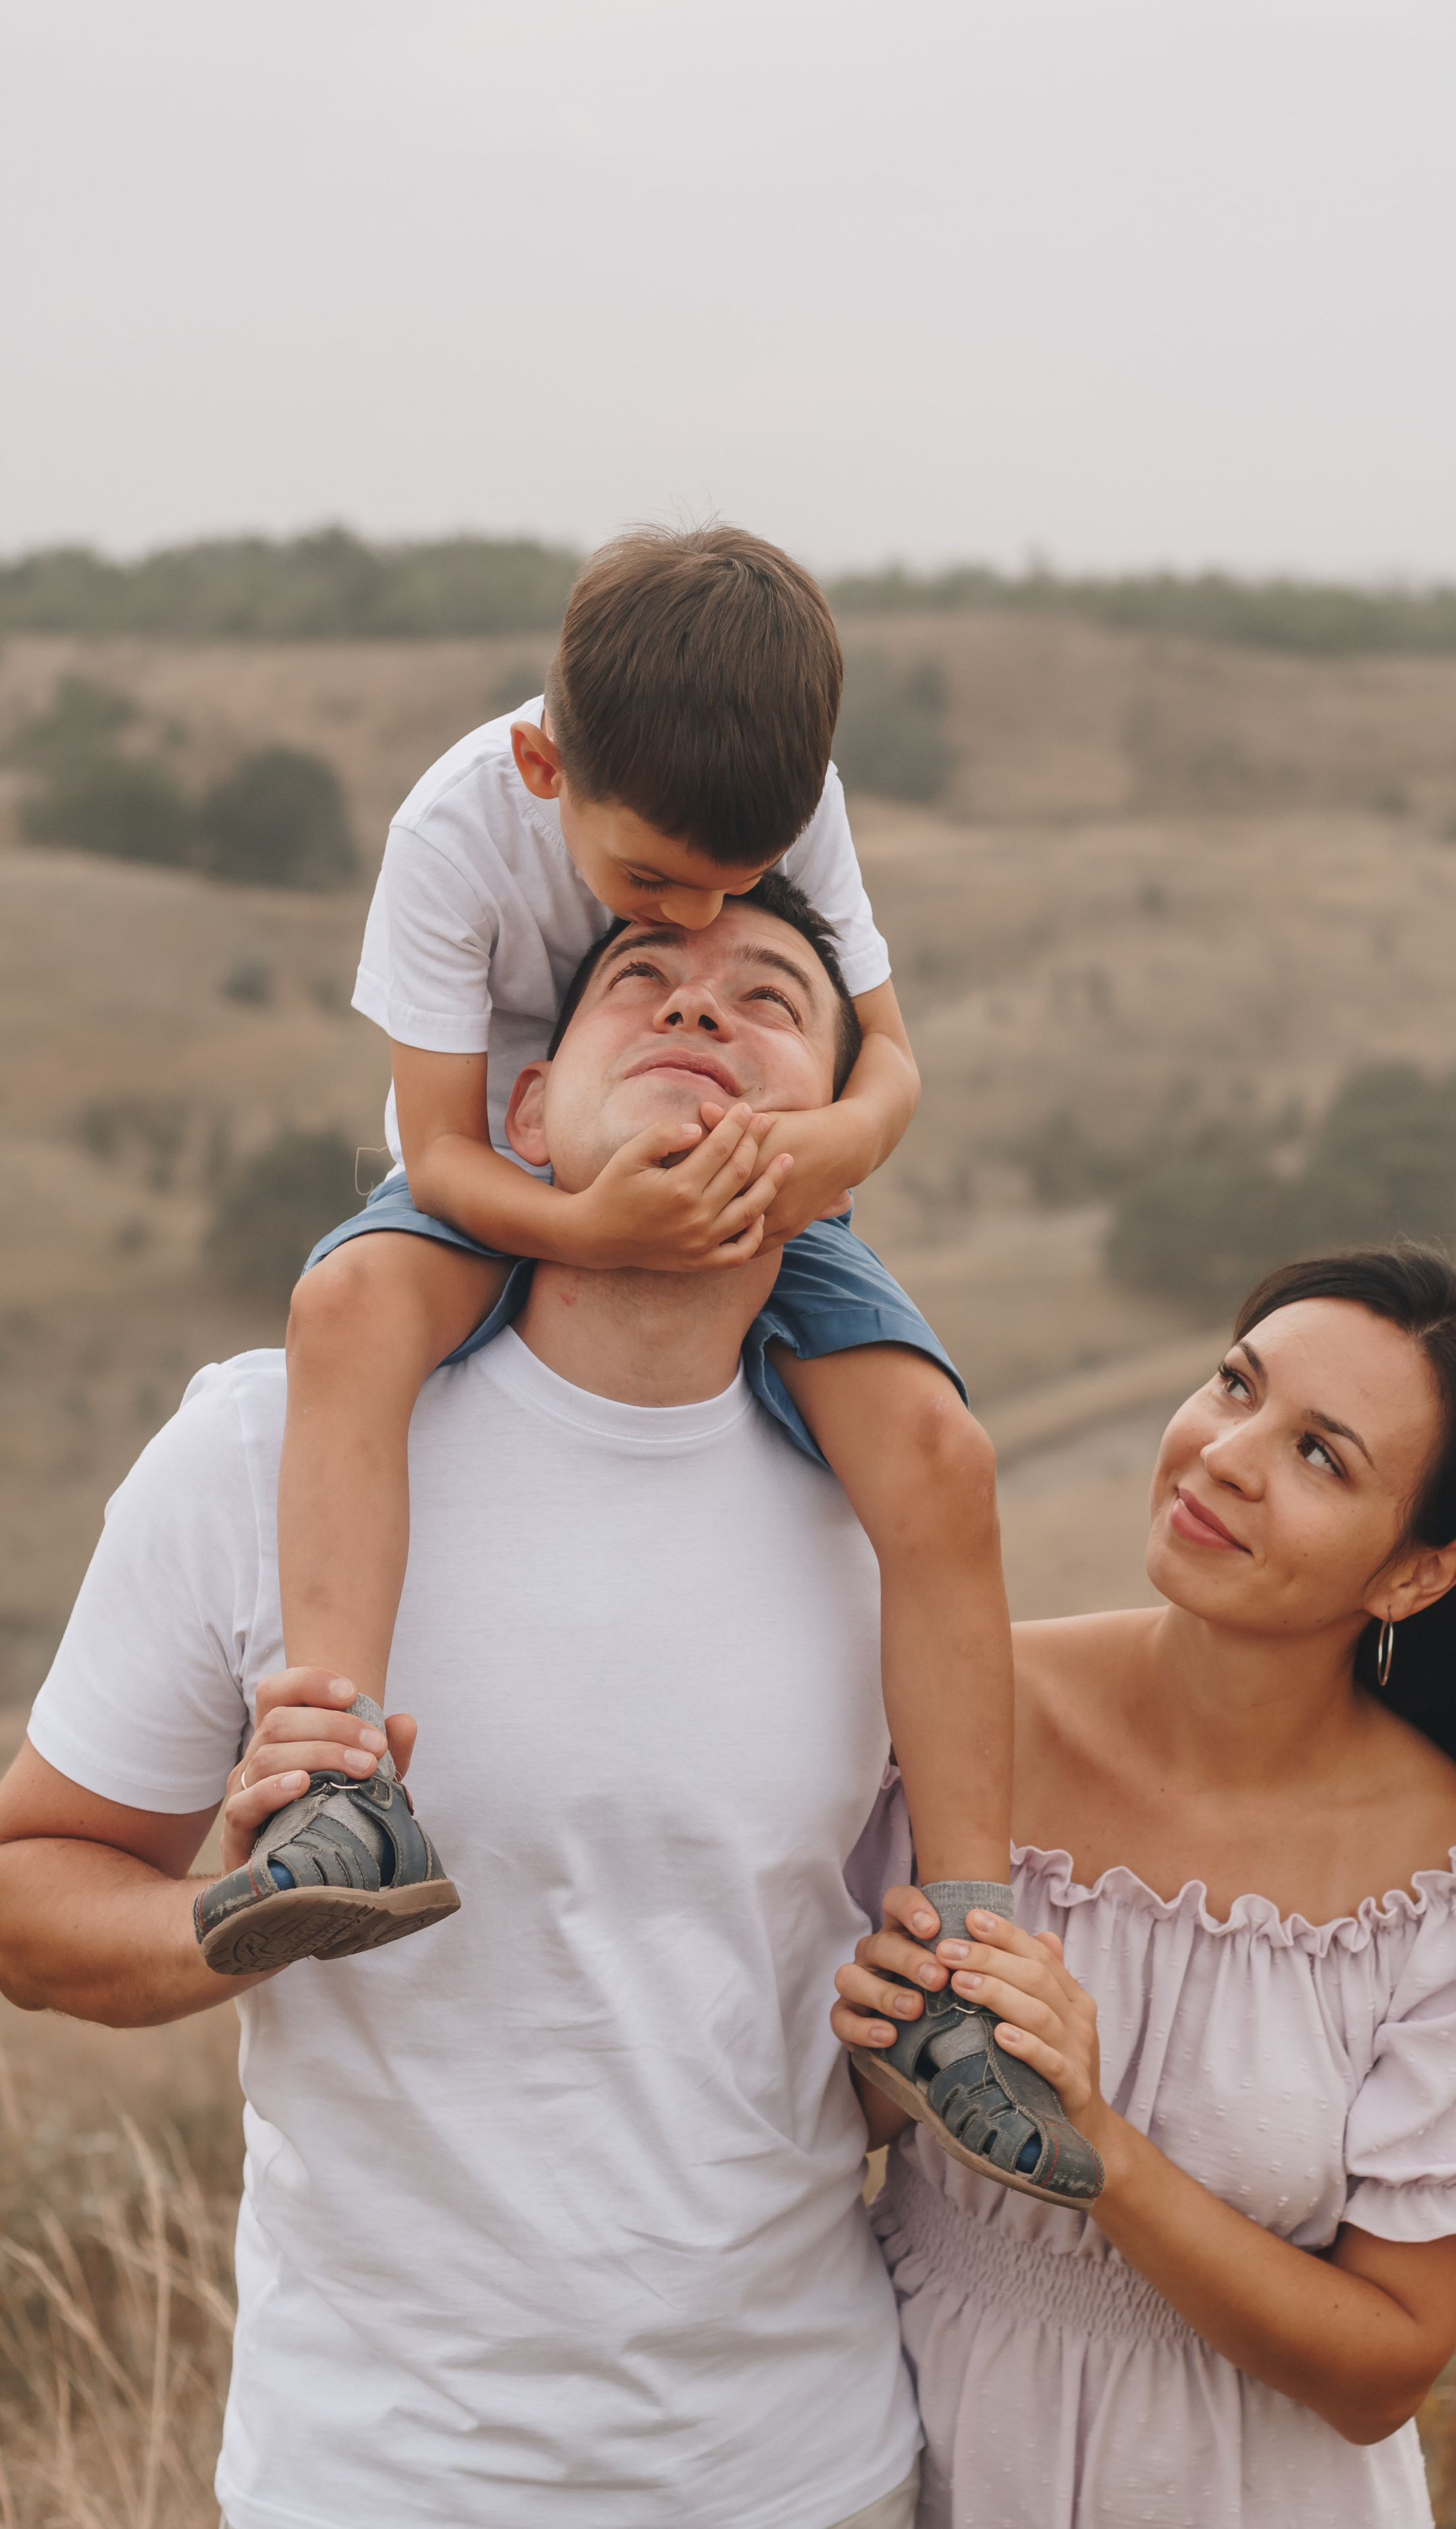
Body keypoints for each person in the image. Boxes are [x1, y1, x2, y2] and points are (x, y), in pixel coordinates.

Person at [0, 883, 936, 2529]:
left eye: (773, 995)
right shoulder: (264, 1451)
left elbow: (849, 1996)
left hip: (803, 2471)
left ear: (839, 1147)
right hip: (379, 2479)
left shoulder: (893, 1521)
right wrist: (232, 1911)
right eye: (640, 979)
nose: (700, 1012)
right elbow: (27, 1899)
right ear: (521, 1108)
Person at [232, 521, 1062, 2192]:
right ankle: (338, 1784)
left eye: (741, 889)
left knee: (938, 1457)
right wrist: (590, 1225)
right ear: (547, 767)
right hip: (530, 1171)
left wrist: (825, 1160)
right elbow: (445, 1151)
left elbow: (888, 1065)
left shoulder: (781, 800)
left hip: (760, 1177)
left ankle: (960, 1965)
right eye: (655, 889)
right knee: (346, 1311)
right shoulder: (457, 829)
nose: (705, 912)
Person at [835, 1246, 1456, 2528]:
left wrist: (1097, 2150)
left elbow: (1382, 2369)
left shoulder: (1453, 1892)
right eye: (1235, 1386)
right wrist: (880, 2069)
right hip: (888, 2449)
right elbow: (773, 2124)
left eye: (1319, 1455)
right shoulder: (949, 1710)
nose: (1227, 1454)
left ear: (1414, 1574)